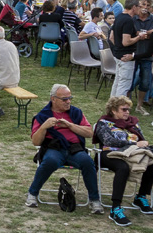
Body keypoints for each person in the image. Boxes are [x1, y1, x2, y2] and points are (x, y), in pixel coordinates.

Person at [25, 85, 102, 214]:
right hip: (54, 148)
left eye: (70, 98)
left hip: (74, 149)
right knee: (50, 161)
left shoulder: (76, 113)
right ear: (53, 99)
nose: (68, 102)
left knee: (88, 162)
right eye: (64, 99)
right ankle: (32, 194)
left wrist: (70, 125)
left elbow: (89, 133)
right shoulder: (43, 116)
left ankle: (94, 200)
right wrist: (44, 127)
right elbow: (36, 142)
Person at [93, 96, 153, 226]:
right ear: (114, 110)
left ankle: (141, 196)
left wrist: (141, 144)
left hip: (132, 153)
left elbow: (141, 139)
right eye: (124, 109)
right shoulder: (104, 122)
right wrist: (133, 143)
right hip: (109, 154)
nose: (127, 112)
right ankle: (115, 208)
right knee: (123, 167)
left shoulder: (133, 123)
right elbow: (108, 141)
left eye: (128, 109)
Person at [110, 0, 145, 97]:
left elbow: (112, 37)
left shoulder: (119, 17)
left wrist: (118, 48)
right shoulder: (128, 20)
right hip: (126, 57)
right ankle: (118, 108)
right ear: (134, 7)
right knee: (124, 84)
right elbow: (126, 42)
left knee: (117, 82)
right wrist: (139, 37)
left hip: (118, 55)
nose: (140, 9)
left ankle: (112, 105)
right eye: (139, 6)